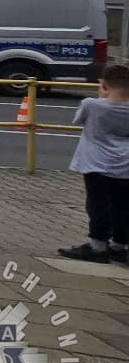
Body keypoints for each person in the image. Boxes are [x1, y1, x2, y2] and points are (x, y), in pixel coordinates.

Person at [61, 63, 129, 263]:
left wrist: (102, 96)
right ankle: (119, 246)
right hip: (125, 165)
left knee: (98, 204)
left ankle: (98, 247)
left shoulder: (91, 104)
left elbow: (78, 120)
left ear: (104, 85)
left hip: (96, 163)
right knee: (122, 206)